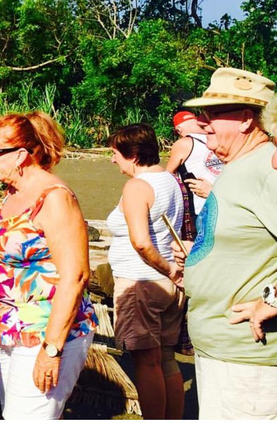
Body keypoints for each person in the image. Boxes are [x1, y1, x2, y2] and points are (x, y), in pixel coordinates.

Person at [0, 111, 97, 420]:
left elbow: (76, 275)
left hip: (45, 332)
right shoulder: (12, 195)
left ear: (20, 155)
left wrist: (51, 349)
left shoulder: (54, 199)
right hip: (9, 330)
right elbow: (0, 260)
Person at [172, 67, 277, 419]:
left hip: (249, 360)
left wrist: (272, 300)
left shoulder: (267, 168)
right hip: (222, 351)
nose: (203, 124)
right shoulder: (239, 166)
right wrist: (199, 256)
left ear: (247, 119)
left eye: (213, 115)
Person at [106, 123, 185, 420]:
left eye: (116, 153)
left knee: (146, 363)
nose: (113, 160)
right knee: (166, 360)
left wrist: (169, 270)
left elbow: (141, 242)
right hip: (167, 286)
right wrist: (174, 273)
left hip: (142, 282)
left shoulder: (138, 187)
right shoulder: (169, 179)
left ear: (134, 155)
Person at [166, 110, 223, 222]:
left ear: (179, 130)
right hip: (224, 202)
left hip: (201, 207)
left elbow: (167, 175)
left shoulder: (184, 143)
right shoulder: (218, 139)